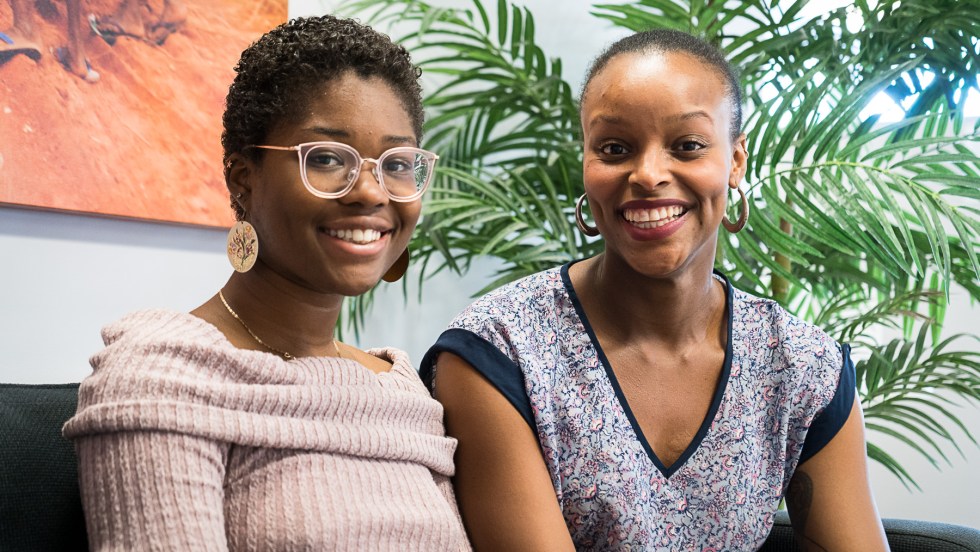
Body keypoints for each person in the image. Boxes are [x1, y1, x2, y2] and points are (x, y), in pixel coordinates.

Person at [422, 29, 889, 551]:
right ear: (586, 162)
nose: (647, 175)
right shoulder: (500, 352)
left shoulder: (804, 367)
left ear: (735, 161)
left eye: (687, 145)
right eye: (615, 148)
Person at [64, 14, 470, 551]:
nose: (372, 192)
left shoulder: (399, 387)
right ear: (243, 180)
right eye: (327, 158)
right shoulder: (163, 378)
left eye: (396, 163)